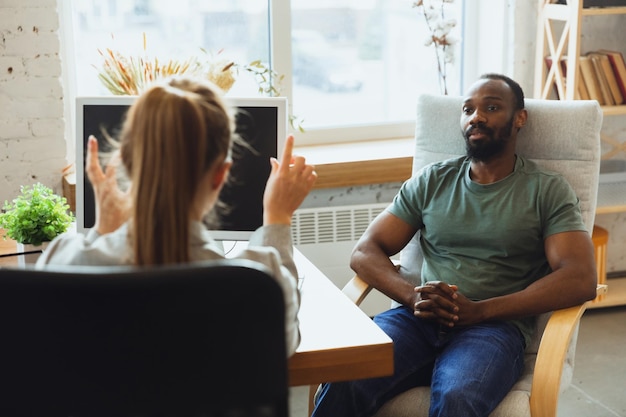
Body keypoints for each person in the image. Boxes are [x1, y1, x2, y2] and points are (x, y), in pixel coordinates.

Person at [311, 73, 597, 417]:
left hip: (493, 329)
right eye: (468, 109)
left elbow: (579, 277)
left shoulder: (547, 190)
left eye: (491, 107)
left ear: (519, 118)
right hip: (416, 318)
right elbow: (364, 251)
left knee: (458, 396)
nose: (476, 116)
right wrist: (412, 295)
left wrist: (480, 310)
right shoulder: (434, 180)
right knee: (347, 376)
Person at [36, 76, 317, 357]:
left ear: (127, 161)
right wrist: (277, 219)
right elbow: (284, 344)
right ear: (221, 174)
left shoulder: (63, 264)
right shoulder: (257, 283)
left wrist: (103, 231)